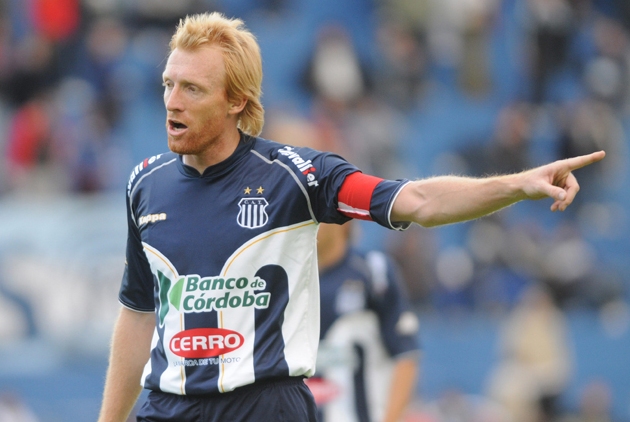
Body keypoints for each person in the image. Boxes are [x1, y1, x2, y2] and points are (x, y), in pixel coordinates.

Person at [97, 11, 605, 422]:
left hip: (263, 406)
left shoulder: (299, 177)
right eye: (168, 84)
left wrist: (517, 184)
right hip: (168, 405)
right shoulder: (145, 184)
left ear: (236, 101)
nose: (172, 102)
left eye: (192, 89)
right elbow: (138, 313)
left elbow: (419, 201)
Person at [306, 221, 419, 422]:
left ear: (343, 220)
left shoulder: (374, 271)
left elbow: (406, 356)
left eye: (316, 215)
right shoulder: (284, 277)